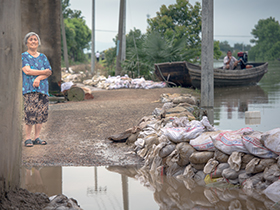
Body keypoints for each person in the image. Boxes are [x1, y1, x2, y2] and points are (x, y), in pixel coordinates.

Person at [22, 32, 52, 147]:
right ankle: (28, 138)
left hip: (43, 89)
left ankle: (37, 137)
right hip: (29, 89)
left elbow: (49, 72)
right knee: (30, 113)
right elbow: (27, 71)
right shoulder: (24, 56)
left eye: (35, 39)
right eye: (31, 39)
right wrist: (43, 72)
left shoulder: (43, 57)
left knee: (41, 114)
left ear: (38, 42)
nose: (33, 41)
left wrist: (39, 78)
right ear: (26, 43)